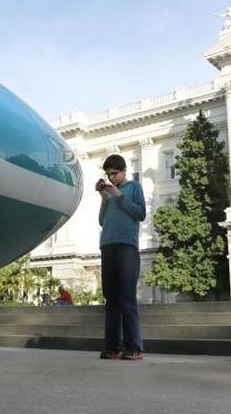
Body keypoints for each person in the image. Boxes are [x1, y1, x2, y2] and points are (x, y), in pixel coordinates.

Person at [95, 154, 146, 361]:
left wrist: (119, 196)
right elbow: (101, 221)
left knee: (126, 296)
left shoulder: (134, 187)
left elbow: (140, 213)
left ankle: (135, 347)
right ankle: (112, 347)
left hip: (127, 246)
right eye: (108, 175)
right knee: (111, 298)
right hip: (107, 245)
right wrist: (104, 199)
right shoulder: (110, 193)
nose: (111, 178)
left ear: (124, 170)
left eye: (114, 173)